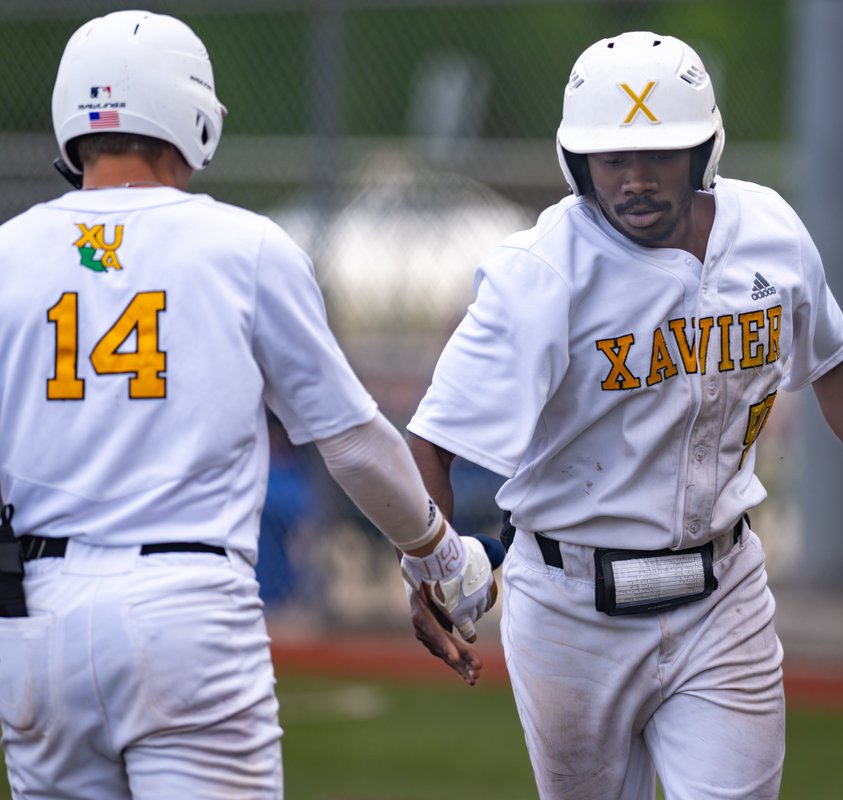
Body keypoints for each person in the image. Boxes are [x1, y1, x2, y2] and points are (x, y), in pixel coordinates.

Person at [404, 31, 843, 800]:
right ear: (577, 164)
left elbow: (837, 362)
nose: (635, 179)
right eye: (612, 159)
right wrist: (432, 568)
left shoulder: (769, 231)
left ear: (706, 149)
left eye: (660, 155)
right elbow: (431, 439)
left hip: (722, 591)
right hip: (572, 609)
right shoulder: (539, 272)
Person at [0, 11, 496, 799]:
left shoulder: (8, 251)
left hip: (35, 618)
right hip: (186, 609)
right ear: (188, 113)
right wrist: (436, 553)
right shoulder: (243, 247)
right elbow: (354, 441)